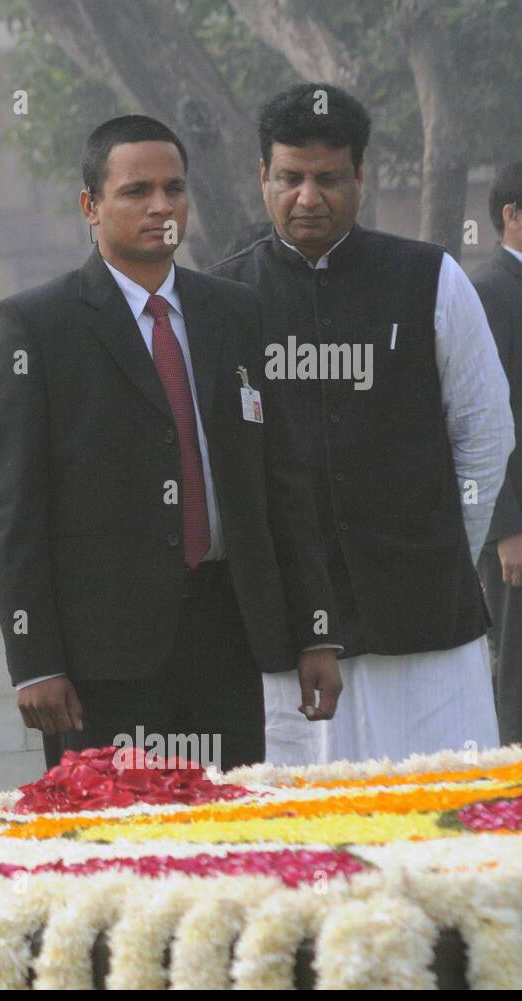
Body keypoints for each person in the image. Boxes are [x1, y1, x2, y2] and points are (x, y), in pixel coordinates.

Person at [0, 115, 341, 772]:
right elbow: (11, 513)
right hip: (102, 665)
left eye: (173, 189)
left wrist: (316, 630)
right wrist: (34, 662)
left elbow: (283, 480)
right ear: (90, 206)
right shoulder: (37, 326)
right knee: (122, 852)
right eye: (136, 191)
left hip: (230, 639)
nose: (160, 206)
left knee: (233, 846)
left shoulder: (236, 311)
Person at [209, 85, 514, 764]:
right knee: (305, 835)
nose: (308, 198)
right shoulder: (222, 300)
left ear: (362, 178)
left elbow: (486, 431)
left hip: (426, 621)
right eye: (289, 178)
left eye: (329, 179)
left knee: (449, 816)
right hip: (287, 633)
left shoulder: (430, 277)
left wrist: (440, 549)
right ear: (262, 177)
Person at [472, 162, 522, 748]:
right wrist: (505, 525)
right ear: (511, 216)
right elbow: (484, 416)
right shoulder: (488, 291)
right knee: (516, 669)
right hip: (516, 526)